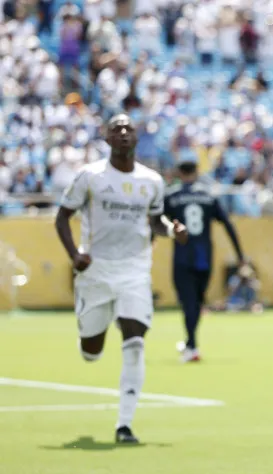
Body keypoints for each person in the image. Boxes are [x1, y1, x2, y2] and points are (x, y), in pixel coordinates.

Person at [54, 114, 188, 444]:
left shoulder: (151, 180)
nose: (124, 133)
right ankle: (92, 333)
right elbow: (62, 217)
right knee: (91, 351)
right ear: (107, 138)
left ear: (137, 138)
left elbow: (155, 221)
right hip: (96, 271)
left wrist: (172, 230)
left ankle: (124, 425)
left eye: (129, 129)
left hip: (134, 270)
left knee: (135, 341)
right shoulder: (90, 176)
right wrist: (74, 255)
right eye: (117, 129)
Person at [163, 161, 246, 363]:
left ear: (180, 173)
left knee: (188, 302)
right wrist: (240, 255)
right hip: (204, 257)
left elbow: (157, 222)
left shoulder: (172, 196)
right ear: (196, 172)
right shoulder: (208, 196)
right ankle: (190, 342)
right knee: (197, 301)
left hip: (183, 257)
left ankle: (191, 346)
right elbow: (227, 224)